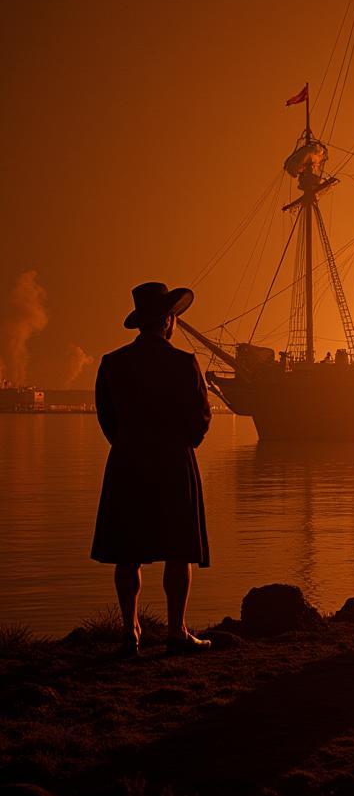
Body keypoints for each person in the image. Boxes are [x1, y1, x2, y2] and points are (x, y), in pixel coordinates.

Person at [91, 282, 213, 658]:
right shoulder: (183, 362)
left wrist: (128, 443)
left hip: (127, 461)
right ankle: (177, 630)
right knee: (179, 551)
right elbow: (201, 417)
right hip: (175, 461)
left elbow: (106, 417)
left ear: (140, 322)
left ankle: (131, 631)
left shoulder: (112, 363)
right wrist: (182, 444)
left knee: (128, 551)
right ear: (169, 320)